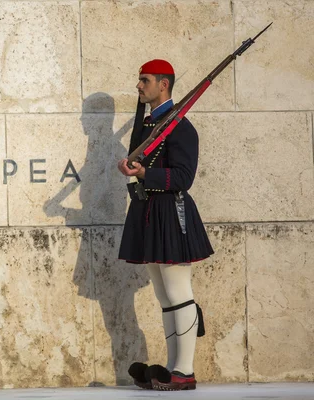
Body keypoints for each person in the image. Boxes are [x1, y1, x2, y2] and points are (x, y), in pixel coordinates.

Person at [117, 59, 214, 391]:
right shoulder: (148, 126)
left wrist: (143, 172)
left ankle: (184, 371)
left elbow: (184, 178)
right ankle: (173, 368)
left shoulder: (181, 128)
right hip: (149, 211)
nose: (139, 86)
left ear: (164, 85)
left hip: (172, 214)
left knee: (178, 291)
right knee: (164, 295)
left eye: (144, 80)